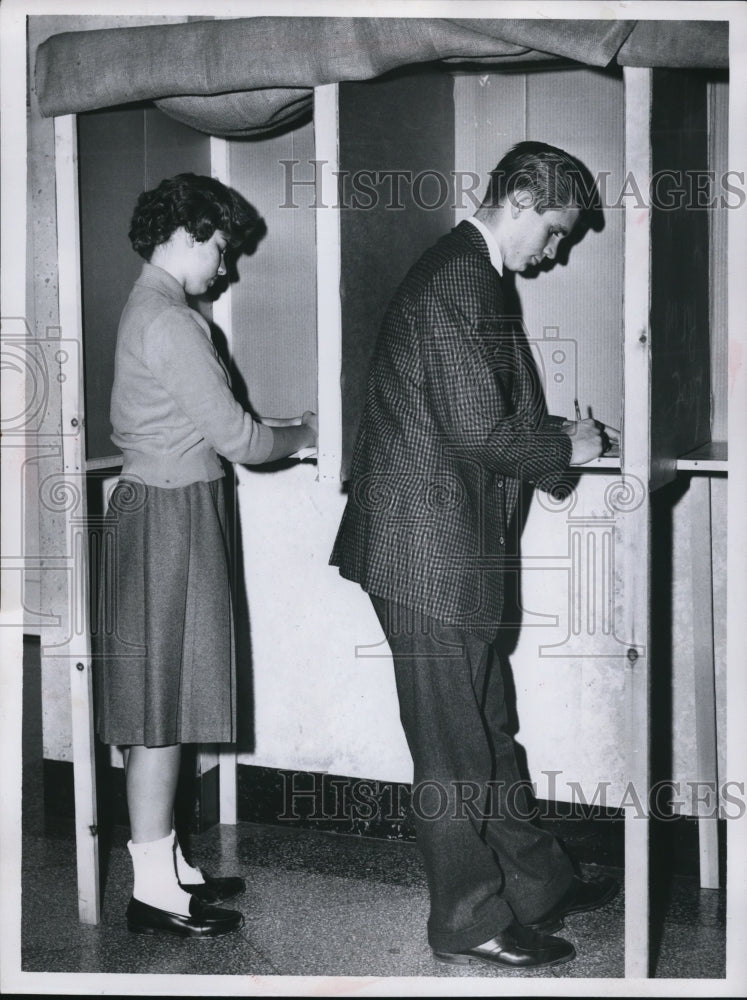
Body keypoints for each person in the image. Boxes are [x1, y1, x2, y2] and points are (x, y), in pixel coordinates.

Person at [330, 142, 620, 970]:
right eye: (557, 233)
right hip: (426, 552)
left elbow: (485, 415)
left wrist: (565, 448)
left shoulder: (473, 272)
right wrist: (569, 442)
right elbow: (477, 430)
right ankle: (465, 921)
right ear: (523, 198)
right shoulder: (461, 274)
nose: (556, 252)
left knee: (488, 728)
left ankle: (535, 885)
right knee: (455, 746)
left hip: (445, 543)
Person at [97, 173, 317, 938]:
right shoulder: (172, 322)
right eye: (221, 249)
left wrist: (283, 424)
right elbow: (243, 443)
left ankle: (171, 869)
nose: (226, 269)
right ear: (188, 232)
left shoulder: (156, 308)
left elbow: (215, 424)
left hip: (167, 509)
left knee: (173, 700)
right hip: (168, 516)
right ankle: (152, 888)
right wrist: (305, 435)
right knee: (159, 710)